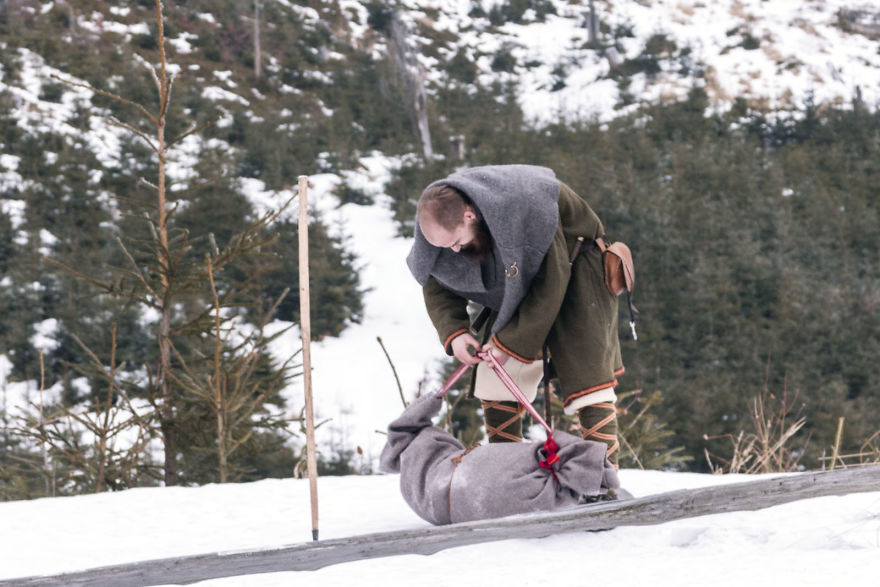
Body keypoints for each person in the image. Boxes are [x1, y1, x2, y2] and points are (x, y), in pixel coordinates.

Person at [407, 164, 625, 467]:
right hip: (513, 276)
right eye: (445, 246)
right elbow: (434, 277)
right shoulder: (438, 218)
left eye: (456, 241)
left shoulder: (527, 207)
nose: (454, 251)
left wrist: (509, 343)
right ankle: (506, 474)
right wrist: (455, 332)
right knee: (495, 374)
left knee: (588, 377)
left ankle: (604, 478)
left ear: (470, 215)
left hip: (576, 266)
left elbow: (551, 283)